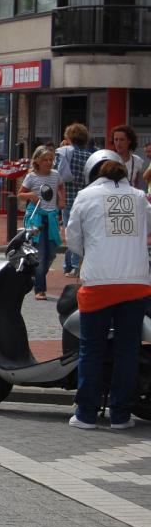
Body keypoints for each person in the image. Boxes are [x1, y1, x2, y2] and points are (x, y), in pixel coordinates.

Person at [65, 149, 151, 430]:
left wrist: (91, 254)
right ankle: (121, 416)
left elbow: (73, 239)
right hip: (136, 283)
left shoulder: (85, 196)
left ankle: (86, 414)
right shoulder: (140, 197)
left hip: (99, 282)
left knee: (92, 349)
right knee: (128, 350)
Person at [17, 146, 65, 300]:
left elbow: (61, 187)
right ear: (37, 161)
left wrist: (62, 199)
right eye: (45, 160)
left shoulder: (55, 175)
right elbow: (20, 194)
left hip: (51, 217)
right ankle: (40, 289)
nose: (49, 162)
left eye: (51, 160)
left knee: (51, 253)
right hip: (36, 217)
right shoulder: (31, 177)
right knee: (41, 254)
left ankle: (35, 275)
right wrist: (30, 195)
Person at [55, 123, 94, 277]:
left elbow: (55, 174)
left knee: (70, 233)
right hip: (85, 198)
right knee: (82, 233)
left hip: (68, 197)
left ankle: (73, 265)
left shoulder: (64, 152)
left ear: (69, 137)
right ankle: (71, 264)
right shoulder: (90, 156)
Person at [110, 125, 145, 191]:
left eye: (122, 140)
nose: (118, 143)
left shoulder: (137, 160)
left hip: (130, 195)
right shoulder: (109, 159)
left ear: (129, 141)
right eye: (116, 139)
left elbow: (137, 185)